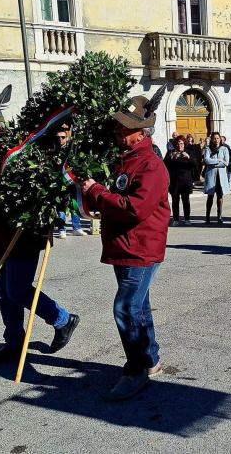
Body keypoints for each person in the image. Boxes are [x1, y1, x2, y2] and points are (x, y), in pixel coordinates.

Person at [0, 102, 79, 365]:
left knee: (17, 290)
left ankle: (63, 319)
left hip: (21, 235)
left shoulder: (15, 153)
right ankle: (14, 344)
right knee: (4, 295)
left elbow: (34, 187)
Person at [81, 95, 170, 400]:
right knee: (139, 307)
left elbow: (135, 209)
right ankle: (151, 359)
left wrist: (98, 192)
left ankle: (137, 369)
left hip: (141, 249)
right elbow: (110, 199)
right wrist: (92, 193)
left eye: (125, 129)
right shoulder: (123, 160)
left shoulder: (151, 165)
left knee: (126, 308)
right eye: (118, 128)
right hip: (124, 247)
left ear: (141, 133)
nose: (118, 133)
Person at [55, 127, 87, 238]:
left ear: (67, 138)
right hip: (59, 182)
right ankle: (62, 229)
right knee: (61, 206)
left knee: (74, 203)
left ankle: (77, 227)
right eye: (58, 138)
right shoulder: (54, 151)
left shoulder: (71, 150)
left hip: (72, 181)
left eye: (63, 137)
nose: (60, 140)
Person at [165, 136, 195, 225]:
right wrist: (171, 158)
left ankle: (187, 218)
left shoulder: (188, 152)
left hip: (186, 180)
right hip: (174, 180)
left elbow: (194, 165)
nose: (179, 145)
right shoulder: (171, 152)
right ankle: (176, 219)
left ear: (184, 144)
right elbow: (164, 164)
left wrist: (188, 157)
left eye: (181, 143)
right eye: (177, 144)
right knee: (175, 200)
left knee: (186, 200)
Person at [203, 132, 230, 224]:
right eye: (214, 138)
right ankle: (207, 217)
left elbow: (226, 163)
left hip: (221, 176)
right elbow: (206, 160)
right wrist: (218, 160)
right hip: (211, 175)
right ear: (212, 139)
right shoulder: (208, 149)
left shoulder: (224, 149)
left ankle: (219, 216)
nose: (216, 140)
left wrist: (214, 163)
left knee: (220, 196)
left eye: (218, 138)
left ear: (220, 139)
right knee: (210, 196)